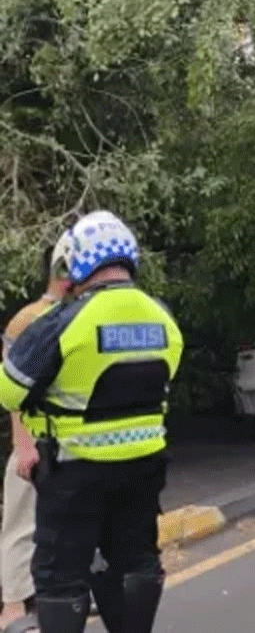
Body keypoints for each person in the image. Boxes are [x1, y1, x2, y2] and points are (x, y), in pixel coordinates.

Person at [0, 210, 184, 633]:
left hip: (73, 469)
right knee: (135, 557)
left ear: (79, 262)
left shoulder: (64, 320)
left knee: (59, 572)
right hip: (143, 464)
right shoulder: (162, 316)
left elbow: (9, 391)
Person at [0, 236, 71, 629]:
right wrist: (23, 443)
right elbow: (12, 393)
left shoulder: (77, 314)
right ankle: (12, 606)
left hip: (68, 440)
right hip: (34, 440)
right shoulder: (28, 319)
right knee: (20, 523)